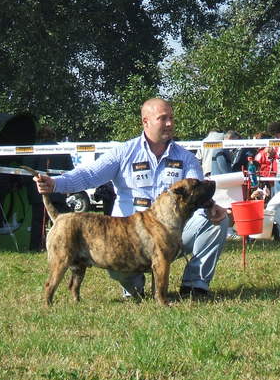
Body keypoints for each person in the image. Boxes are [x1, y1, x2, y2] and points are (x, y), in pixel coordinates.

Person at [33, 98, 228, 299]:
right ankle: (134, 289)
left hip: (172, 233)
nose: (169, 123)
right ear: (146, 121)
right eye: (163, 118)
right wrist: (55, 183)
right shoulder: (123, 152)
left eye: (171, 118)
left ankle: (194, 286)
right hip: (127, 238)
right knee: (116, 259)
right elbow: (89, 175)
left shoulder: (185, 157)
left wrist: (211, 205)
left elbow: (197, 189)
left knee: (217, 222)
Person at [24, 126, 73, 251]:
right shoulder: (62, 150)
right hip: (58, 191)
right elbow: (70, 171)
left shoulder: (34, 150)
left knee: (38, 222)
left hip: (39, 192)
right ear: (53, 135)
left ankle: (37, 248)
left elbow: (26, 171)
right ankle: (62, 248)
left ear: (39, 136)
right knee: (60, 222)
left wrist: (24, 185)